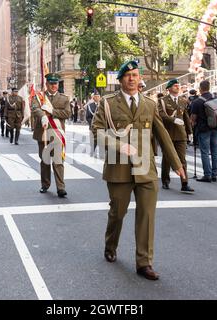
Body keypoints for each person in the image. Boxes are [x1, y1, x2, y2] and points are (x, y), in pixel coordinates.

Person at [92, 60, 185, 280]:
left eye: (135, 75)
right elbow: (97, 131)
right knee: (118, 213)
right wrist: (118, 145)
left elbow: (163, 135)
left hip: (146, 167)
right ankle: (110, 244)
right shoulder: (107, 104)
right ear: (121, 79)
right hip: (119, 168)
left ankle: (144, 263)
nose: (132, 79)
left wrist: (177, 164)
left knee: (147, 215)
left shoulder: (150, 104)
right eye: (127, 75)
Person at [32, 73, 71, 198]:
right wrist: (43, 116)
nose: (54, 86)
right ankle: (45, 184)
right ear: (47, 84)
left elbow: (67, 113)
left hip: (57, 133)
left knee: (58, 161)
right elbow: (35, 108)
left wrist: (51, 111)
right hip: (43, 133)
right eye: (51, 83)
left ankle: (61, 187)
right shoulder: (39, 97)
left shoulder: (64, 98)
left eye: (56, 83)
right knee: (45, 160)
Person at [158, 78, 194, 193]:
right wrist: (173, 120)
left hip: (180, 134)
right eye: (175, 86)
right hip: (167, 134)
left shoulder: (183, 101)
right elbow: (161, 115)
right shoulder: (162, 101)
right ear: (168, 88)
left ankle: (184, 183)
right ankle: (165, 180)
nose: (177, 87)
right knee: (167, 159)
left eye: (178, 85)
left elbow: (186, 117)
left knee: (182, 159)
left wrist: (190, 132)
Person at [190, 80, 217, 182]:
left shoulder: (197, 102)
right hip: (216, 128)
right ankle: (214, 174)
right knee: (215, 151)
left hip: (204, 129)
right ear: (209, 87)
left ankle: (207, 174)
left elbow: (193, 118)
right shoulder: (215, 99)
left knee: (205, 152)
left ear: (200, 88)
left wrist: (192, 126)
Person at [86, 91, 101, 156]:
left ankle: (101, 153)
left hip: (101, 126)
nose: (97, 98)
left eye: (98, 96)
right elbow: (88, 117)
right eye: (96, 96)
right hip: (92, 126)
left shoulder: (102, 105)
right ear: (93, 98)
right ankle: (92, 151)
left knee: (102, 139)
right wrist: (92, 124)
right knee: (93, 140)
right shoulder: (90, 106)